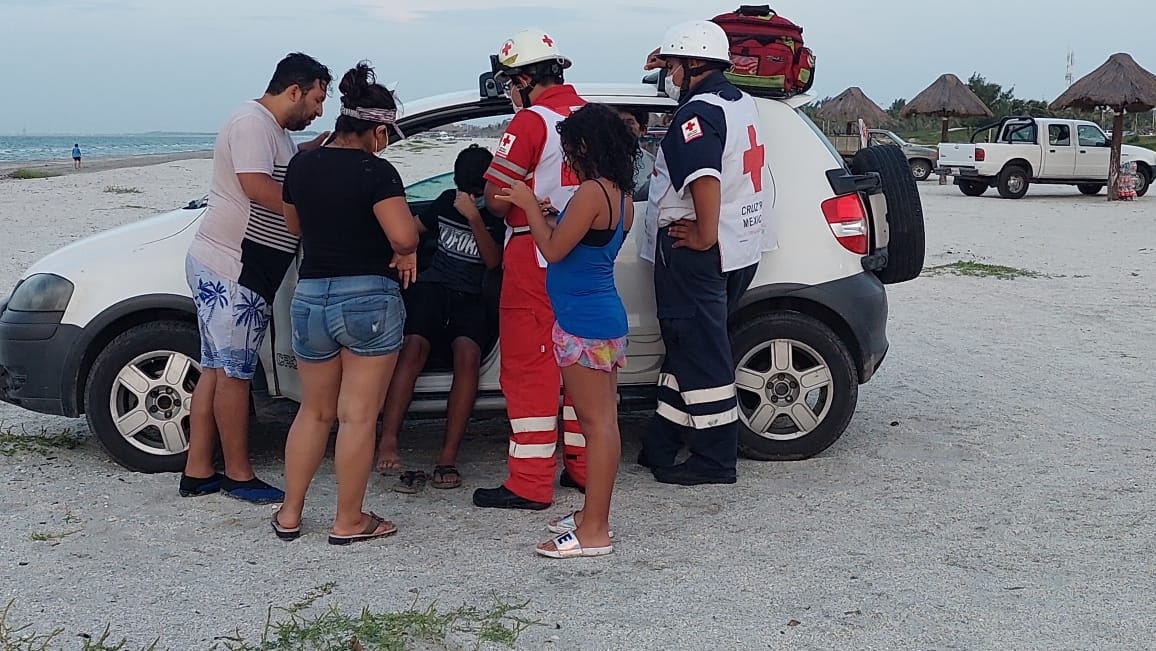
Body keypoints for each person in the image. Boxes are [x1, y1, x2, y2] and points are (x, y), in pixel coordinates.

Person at [271, 62, 419, 545]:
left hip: (311, 295)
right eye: (387, 135)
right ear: (377, 129)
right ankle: (348, 520)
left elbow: (295, 229)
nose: (387, 144)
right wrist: (407, 245)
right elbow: (400, 233)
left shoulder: (301, 164)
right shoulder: (375, 171)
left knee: (313, 412)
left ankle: (290, 513)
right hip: (367, 300)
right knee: (357, 416)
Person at [180, 52, 332, 504]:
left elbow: (280, 168)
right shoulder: (251, 123)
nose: (319, 109)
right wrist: (316, 214)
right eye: (318, 99)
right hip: (235, 268)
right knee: (235, 374)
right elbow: (256, 185)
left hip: (236, 267)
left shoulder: (276, 132)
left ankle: (199, 468)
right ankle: (239, 475)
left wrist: (318, 149)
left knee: (214, 368)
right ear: (294, 90)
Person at [494, 103, 636, 558]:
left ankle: (595, 529)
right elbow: (582, 244)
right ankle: (590, 514)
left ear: (587, 147)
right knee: (603, 425)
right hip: (603, 320)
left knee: (598, 428)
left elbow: (554, 250)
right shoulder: (620, 196)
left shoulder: (591, 193)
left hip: (582, 327)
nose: (567, 158)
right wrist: (549, 210)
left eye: (571, 149)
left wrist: (526, 206)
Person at [637, 21, 775, 485]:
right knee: (686, 348)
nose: (670, 73)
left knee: (702, 352)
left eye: (674, 65)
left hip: (700, 252)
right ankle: (662, 441)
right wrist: (667, 54)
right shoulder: (739, 103)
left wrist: (703, 232)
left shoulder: (697, 113)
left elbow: (704, 177)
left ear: (694, 65)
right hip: (741, 245)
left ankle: (716, 459)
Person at [474, 27, 589, 511]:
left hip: (532, 255)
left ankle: (529, 481)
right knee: (579, 363)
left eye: (509, 82)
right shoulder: (592, 117)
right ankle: (584, 468)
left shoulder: (527, 124)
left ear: (523, 79)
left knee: (529, 368)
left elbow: (496, 201)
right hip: (586, 254)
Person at [376, 144, 504, 492]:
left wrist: (476, 217)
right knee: (413, 347)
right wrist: (404, 251)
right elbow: (412, 229)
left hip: (472, 296)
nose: (472, 197)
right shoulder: (446, 200)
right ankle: (388, 438)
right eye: (469, 191)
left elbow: (493, 261)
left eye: (478, 193)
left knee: (468, 356)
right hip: (434, 287)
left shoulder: (494, 214)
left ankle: (447, 456)